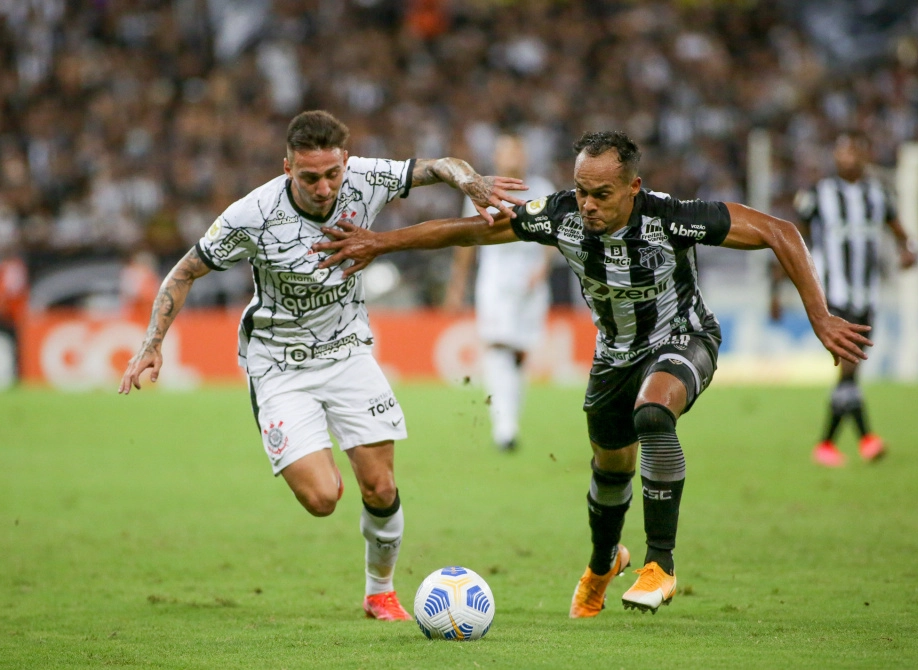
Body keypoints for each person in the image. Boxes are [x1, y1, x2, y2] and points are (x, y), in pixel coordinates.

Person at [309, 130, 871, 618]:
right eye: (581, 191)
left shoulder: (671, 217)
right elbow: (470, 232)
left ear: (632, 187)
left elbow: (780, 231)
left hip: (684, 339)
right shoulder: (561, 217)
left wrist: (819, 317)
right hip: (614, 356)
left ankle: (660, 564)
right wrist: (380, 242)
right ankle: (604, 564)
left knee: (654, 412)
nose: (588, 205)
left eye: (601, 194)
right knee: (609, 474)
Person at [118, 110, 527, 621]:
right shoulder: (253, 214)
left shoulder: (365, 179)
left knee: (380, 487)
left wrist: (472, 181)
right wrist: (152, 342)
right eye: (310, 176)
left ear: (345, 162)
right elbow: (185, 270)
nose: (324, 186)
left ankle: (380, 592)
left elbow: (441, 165)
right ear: (286, 167)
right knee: (323, 497)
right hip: (278, 363)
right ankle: (304, 442)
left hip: (348, 351)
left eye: (332, 173)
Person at [774, 131, 917, 467]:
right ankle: (867, 439)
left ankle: (827, 444)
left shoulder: (878, 194)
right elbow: (790, 240)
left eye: (853, 151)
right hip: (833, 297)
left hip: (868, 297)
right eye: (841, 152)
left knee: (849, 376)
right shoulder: (818, 194)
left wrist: (908, 252)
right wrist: (776, 290)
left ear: (864, 154)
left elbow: (901, 233)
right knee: (850, 369)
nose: (846, 158)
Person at [443, 133, 557, 451]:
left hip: (531, 284)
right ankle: (504, 428)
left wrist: (543, 268)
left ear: (525, 156)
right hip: (495, 282)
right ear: (496, 157)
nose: (512, 157)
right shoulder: (479, 191)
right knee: (497, 346)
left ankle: (510, 419)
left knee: (519, 354)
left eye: (517, 151)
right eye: (506, 151)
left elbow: (555, 236)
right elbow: (465, 243)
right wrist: (457, 285)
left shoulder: (543, 188)